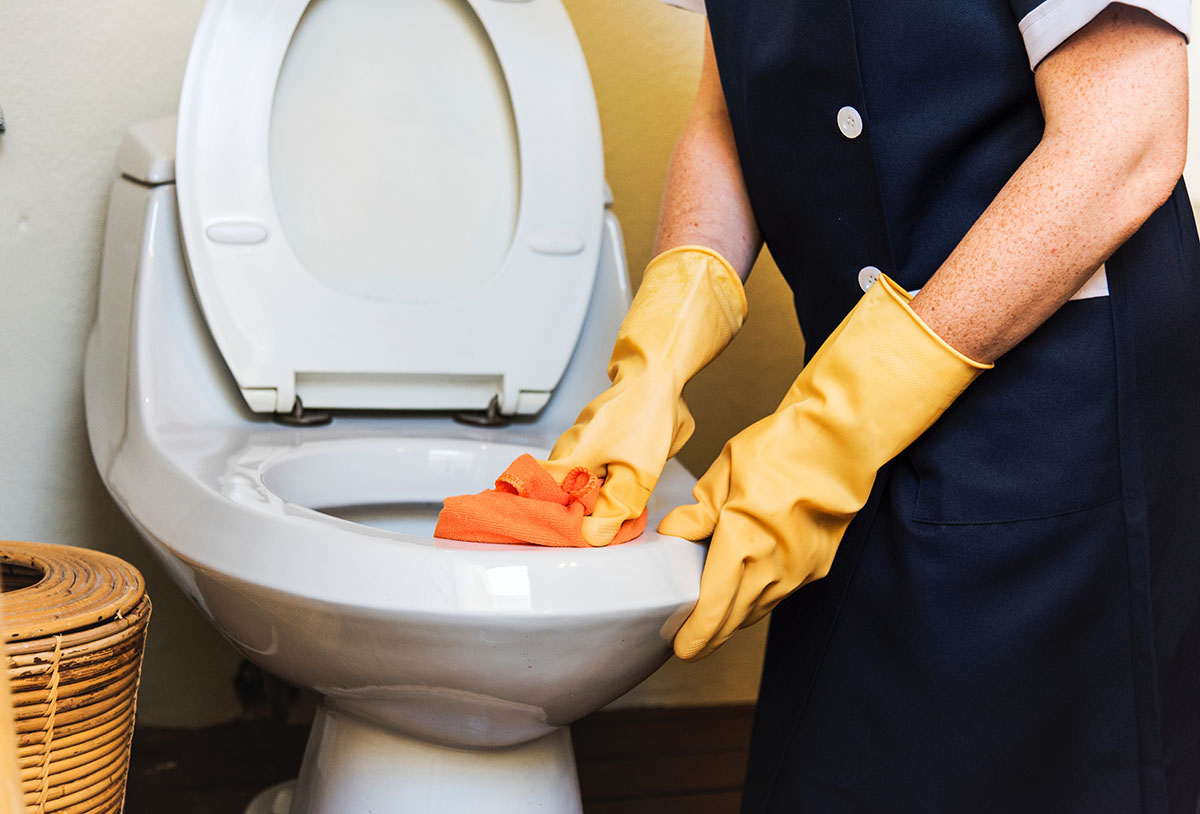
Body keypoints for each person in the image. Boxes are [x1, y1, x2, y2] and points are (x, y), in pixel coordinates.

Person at [539, 1, 1200, 810]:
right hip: (855, 415)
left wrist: (835, 427)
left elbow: (1126, 136)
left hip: (1056, 412)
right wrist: (661, 350)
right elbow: (724, 119)